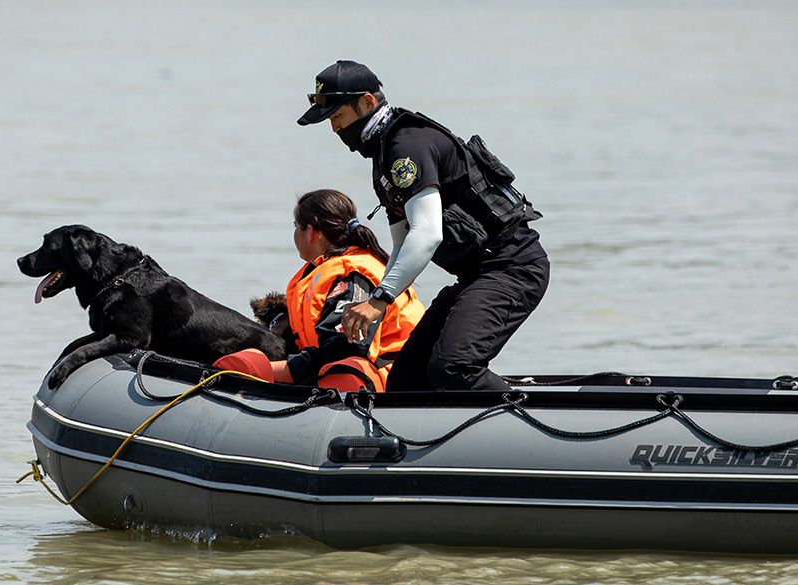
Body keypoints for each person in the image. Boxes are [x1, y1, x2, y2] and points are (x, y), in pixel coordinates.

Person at [297, 60, 550, 391]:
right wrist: (376, 300)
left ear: (367, 103)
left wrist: (379, 301)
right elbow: (403, 244)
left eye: (337, 117)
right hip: (475, 275)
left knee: (454, 369)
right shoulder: (384, 156)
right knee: (405, 382)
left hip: (512, 268)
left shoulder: (407, 146)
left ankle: (531, 425)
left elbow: (427, 234)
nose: (335, 129)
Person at [215, 189, 424, 392]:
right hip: (328, 367)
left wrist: (268, 371)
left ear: (311, 231)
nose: (294, 233)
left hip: (389, 380)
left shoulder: (352, 276)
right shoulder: (322, 269)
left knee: (343, 370)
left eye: (296, 226)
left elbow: (343, 349)